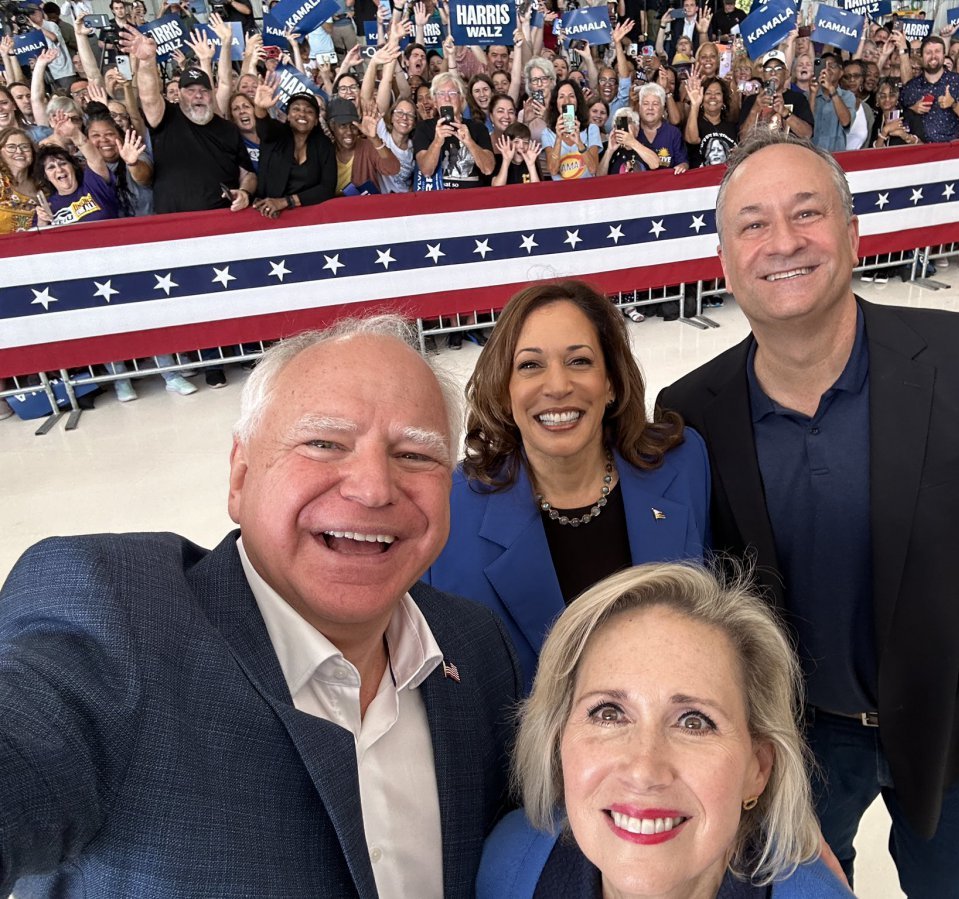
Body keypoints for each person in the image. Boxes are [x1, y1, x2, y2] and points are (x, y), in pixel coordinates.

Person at [657, 131, 959, 897]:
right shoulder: (693, 411)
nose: (783, 241)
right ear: (724, 260)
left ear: (853, 235)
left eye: (807, 213)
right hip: (797, 748)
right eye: (753, 224)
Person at [0, 315, 520, 898]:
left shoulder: (475, 647)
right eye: (324, 443)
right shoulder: (115, 615)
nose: (374, 487)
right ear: (240, 475)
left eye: (415, 455)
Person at [476, 562, 853, 898]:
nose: (644, 770)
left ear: (758, 769)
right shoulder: (509, 863)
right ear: (558, 742)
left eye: (694, 721)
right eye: (609, 713)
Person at [424, 281, 710, 690]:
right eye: (530, 365)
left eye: (579, 361)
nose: (557, 386)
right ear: (504, 392)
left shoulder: (683, 465)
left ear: (610, 382)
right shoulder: (449, 505)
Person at [120, 27, 256, 214]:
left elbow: (248, 174)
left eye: (203, 91)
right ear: (180, 95)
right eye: (190, 91)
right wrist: (146, 61)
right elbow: (149, 96)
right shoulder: (166, 117)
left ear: (211, 94)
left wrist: (244, 192)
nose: (198, 95)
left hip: (223, 221)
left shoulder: (229, 129)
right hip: (175, 224)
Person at [250, 86, 336, 218]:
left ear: (316, 121)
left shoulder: (323, 145)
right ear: (288, 116)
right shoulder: (276, 134)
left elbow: (327, 188)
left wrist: (286, 202)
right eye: (296, 109)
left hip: (308, 218)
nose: (302, 114)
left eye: (309, 111)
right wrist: (260, 108)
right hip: (268, 216)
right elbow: (264, 129)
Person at [413, 71, 495, 189]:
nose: (447, 98)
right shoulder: (424, 128)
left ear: (461, 99)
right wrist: (437, 142)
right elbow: (426, 171)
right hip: (440, 201)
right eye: (441, 94)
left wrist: (469, 142)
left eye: (452, 93)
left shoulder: (478, 128)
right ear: (435, 101)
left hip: (473, 201)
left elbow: (488, 169)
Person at [900, 36, 959, 142]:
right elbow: (899, 115)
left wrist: (954, 104)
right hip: (919, 150)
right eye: (928, 52)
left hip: (949, 150)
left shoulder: (958, 81)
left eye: (937, 51)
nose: (933, 56)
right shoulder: (912, 85)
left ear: (944, 55)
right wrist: (913, 108)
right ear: (921, 57)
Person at [327, 97, 402, 195]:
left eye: (353, 126)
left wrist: (375, 139)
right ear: (332, 127)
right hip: (335, 208)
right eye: (343, 126)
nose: (349, 132)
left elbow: (393, 169)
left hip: (367, 208)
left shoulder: (368, 146)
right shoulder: (326, 150)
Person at [541, 80, 602, 180]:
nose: (567, 101)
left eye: (571, 96)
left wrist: (579, 143)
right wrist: (558, 139)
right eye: (561, 97)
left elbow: (593, 169)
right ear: (556, 103)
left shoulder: (591, 129)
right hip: (561, 192)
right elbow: (552, 170)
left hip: (586, 191)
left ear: (578, 101)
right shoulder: (547, 133)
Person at [0, 126, 39, 234]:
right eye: (11, 147)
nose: (19, 151)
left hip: (30, 248)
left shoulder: (43, 187)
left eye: (25, 147)